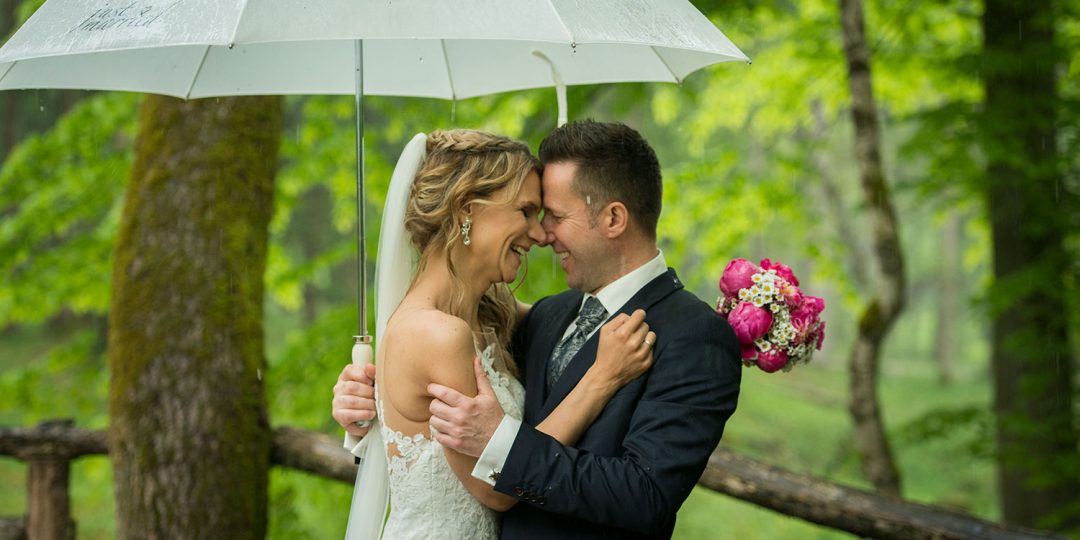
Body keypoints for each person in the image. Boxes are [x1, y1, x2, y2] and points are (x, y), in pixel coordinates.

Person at [334, 129, 657, 540]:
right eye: (525, 212)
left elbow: (575, 322)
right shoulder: (437, 334)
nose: (540, 234)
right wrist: (602, 378)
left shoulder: (490, 316)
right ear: (467, 209)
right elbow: (495, 487)